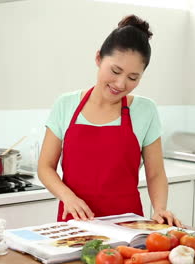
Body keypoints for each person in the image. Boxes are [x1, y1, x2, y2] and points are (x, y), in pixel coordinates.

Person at [38, 14, 182, 227]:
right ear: (98, 58)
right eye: (115, 71)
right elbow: (45, 167)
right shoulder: (65, 104)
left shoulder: (145, 110)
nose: (121, 84)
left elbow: (156, 173)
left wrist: (160, 209)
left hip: (128, 226)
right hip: (76, 225)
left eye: (133, 78)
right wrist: (67, 197)